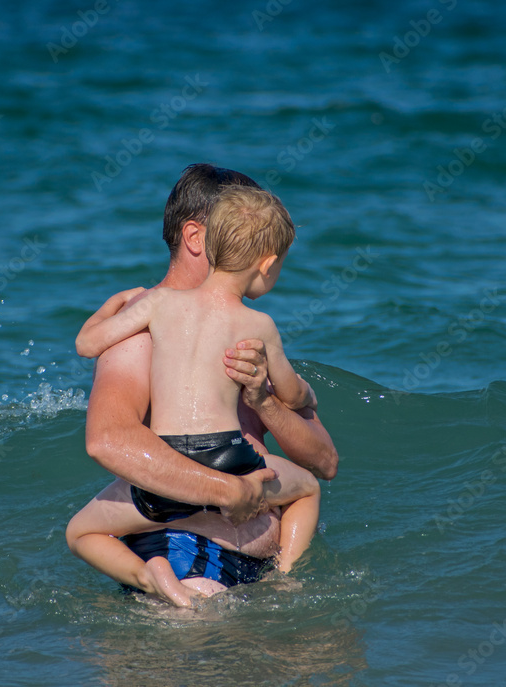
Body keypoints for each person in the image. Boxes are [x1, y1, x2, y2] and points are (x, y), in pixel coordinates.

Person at [65, 163, 338, 605]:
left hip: (260, 571)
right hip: (185, 554)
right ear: (197, 238)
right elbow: (107, 441)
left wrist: (263, 400)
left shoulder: (248, 333)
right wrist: (227, 491)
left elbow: (325, 462)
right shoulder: (140, 334)